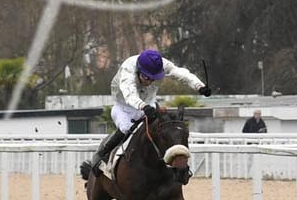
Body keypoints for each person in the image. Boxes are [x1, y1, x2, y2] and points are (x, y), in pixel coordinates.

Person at [83, 48, 210, 176]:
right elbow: (130, 95)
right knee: (126, 128)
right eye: (146, 78)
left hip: (149, 104)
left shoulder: (162, 64)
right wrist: (143, 106)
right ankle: (101, 154)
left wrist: (200, 86)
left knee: (163, 129)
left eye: (153, 79)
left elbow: (181, 74)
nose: (149, 82)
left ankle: (173, 166)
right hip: (124, 108)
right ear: (138, 70)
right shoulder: (128, 70)